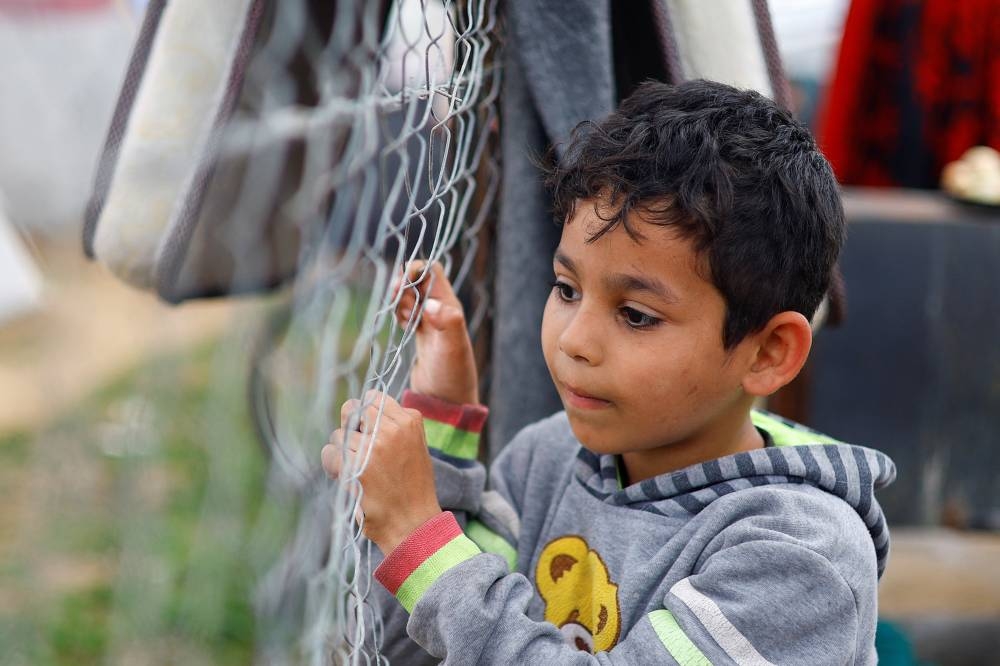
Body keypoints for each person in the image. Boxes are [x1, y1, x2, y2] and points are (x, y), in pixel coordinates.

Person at [322, 79, 895, 664]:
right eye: (566, 288)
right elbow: (411, 646)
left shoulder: (798, 557)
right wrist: (441, 437)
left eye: (637, 315)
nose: (574, 341)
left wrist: (422, 541)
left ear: (768, 352)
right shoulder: (548, 459)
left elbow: (449, 594)